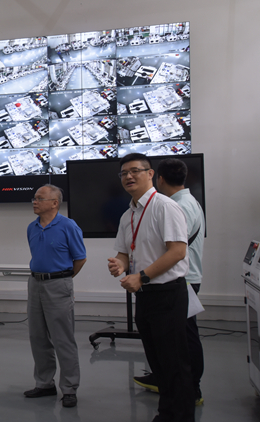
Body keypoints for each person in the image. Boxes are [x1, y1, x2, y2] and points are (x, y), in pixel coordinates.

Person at [108, 153, 195, 422]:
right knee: (158, 363)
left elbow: (177, 251)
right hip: (145, 296)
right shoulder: (128, 215)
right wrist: (120, 265)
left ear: (150, 174)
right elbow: (124, 253)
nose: (129, 176)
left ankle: (180, 417)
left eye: (135, 171)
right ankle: (166, 414)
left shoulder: (165, 207)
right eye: (124, 173)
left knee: (174, 364)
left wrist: (142, 277)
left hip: (167, 294)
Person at [133, 158, 206, 405]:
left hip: (180, 280)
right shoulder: (189, 201)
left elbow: (174, 250)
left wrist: (143, 274)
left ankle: (191, 389)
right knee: (180, 336)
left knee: (183, 338)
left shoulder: (175, 206)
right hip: (186, 277)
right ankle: (176, 384)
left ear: (158, 178)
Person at [23, 184, 87, 408]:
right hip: (35, 284)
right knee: (38, 337)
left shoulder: (68, 226)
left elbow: (80, 258)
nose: (35, 201)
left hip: (59, 285)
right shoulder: (31, 228)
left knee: (63, 339)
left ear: (54, 203)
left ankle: (69, 388)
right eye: (34, 198)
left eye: (39, 198)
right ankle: (44, 383)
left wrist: (63, 279)